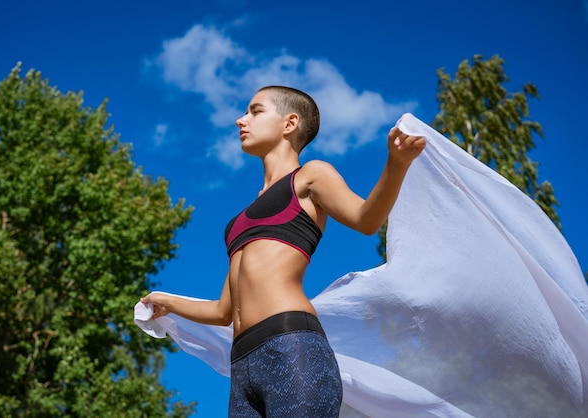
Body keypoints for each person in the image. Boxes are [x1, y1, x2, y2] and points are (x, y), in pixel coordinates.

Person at [140, 86, 426, 417]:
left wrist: (397, 163)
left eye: (254, 111)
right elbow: (223, 311)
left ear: (289, 123)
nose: (240, 120)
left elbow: (366, 220)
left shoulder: (310, 177)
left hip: (291, 346)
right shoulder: (239, 221)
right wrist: (167, 302)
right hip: (242, 365)